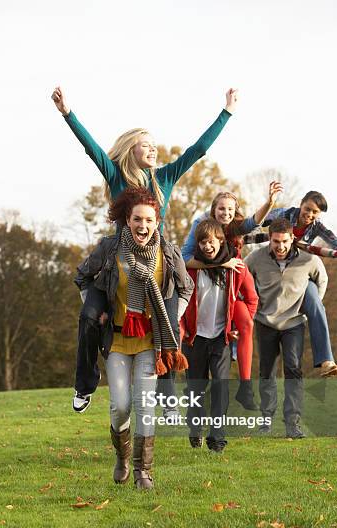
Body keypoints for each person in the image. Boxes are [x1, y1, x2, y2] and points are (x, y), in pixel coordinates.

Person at [51, 85, 238, 411]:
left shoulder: (163, 178)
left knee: (167, 322)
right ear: (131, 149)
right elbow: (90, 147)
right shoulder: (115, 174)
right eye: (146, 145)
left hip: (156, 261)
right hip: (117, 260)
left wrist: (227, 112)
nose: (153, 150)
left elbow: (198, 149)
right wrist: (68, 113)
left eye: (154, 145)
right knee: (88, 317)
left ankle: (166, 397)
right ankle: (85, 384)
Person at [75, 187, 194, 489]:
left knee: (144, 404)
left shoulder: (167, 252)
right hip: (116, 340)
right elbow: (83, 276)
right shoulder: (110, 248)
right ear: (127, 220)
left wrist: (171, 318)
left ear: (157, 222)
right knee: (120, 405)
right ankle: (122, 456)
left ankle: (144, 472)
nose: (143, 226)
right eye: (137, 219)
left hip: (149, 343)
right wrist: (93, 308)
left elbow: (186, 288)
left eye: (149, 220)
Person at [181, 182, 282, 409]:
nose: (225, 213)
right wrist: (223, 263)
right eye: (221, 209)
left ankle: (245, 386)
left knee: (246, 321)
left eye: (229, 209)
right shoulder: (201, 225)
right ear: (213, 210)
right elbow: (184, 258)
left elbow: (254, 221)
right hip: (205, 285)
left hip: (230, 290)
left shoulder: (236, 226)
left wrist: (270, 203)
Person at [248, 190, 337, 377]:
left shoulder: (317, 227)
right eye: (307, 209)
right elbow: (257, 221)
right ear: (301, 204)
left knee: (315, 300)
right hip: (273, 267)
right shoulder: (283, 215)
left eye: (315, 212)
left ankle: (326, 360)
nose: (309, 214)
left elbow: (334, 241)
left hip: (299, 274)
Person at [245, 217, 329, 438]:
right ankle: (266, 420)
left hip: (294, 323)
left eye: (284, 241)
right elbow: (243, 279)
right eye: (275, 241)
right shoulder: (255, 258)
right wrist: (253, 306)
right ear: (269, 240)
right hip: (265, 322)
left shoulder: (308, 260)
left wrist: (308, 307)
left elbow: (322, 281)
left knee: (293, 369)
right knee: (267, 371)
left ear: (292, 239)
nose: (280, 246)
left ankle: (293, 423)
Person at [182, 218, 258, 451]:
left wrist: (240, 324)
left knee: (221, 387)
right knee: (195, 388)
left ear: (221, 241)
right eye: (203, 242)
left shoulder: (237, 268)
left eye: (212, 241)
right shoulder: (190, 269)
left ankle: (218, 437)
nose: (207, 246)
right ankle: (195, 426)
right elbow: (181, 302)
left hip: (220, 338)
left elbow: (252, 299)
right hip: (194, 338)